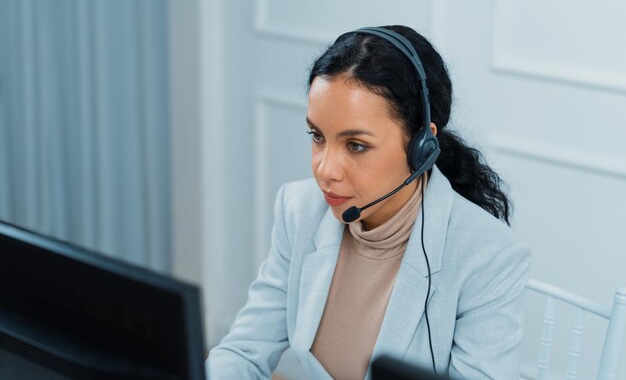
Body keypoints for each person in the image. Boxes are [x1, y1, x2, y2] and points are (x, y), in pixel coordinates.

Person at [207, 25, 531, 380]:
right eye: (317, 136)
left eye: (356, 146)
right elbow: (243, 351)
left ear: (422, 147)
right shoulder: (299, 209)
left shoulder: (489, 257)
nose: (325, 171)